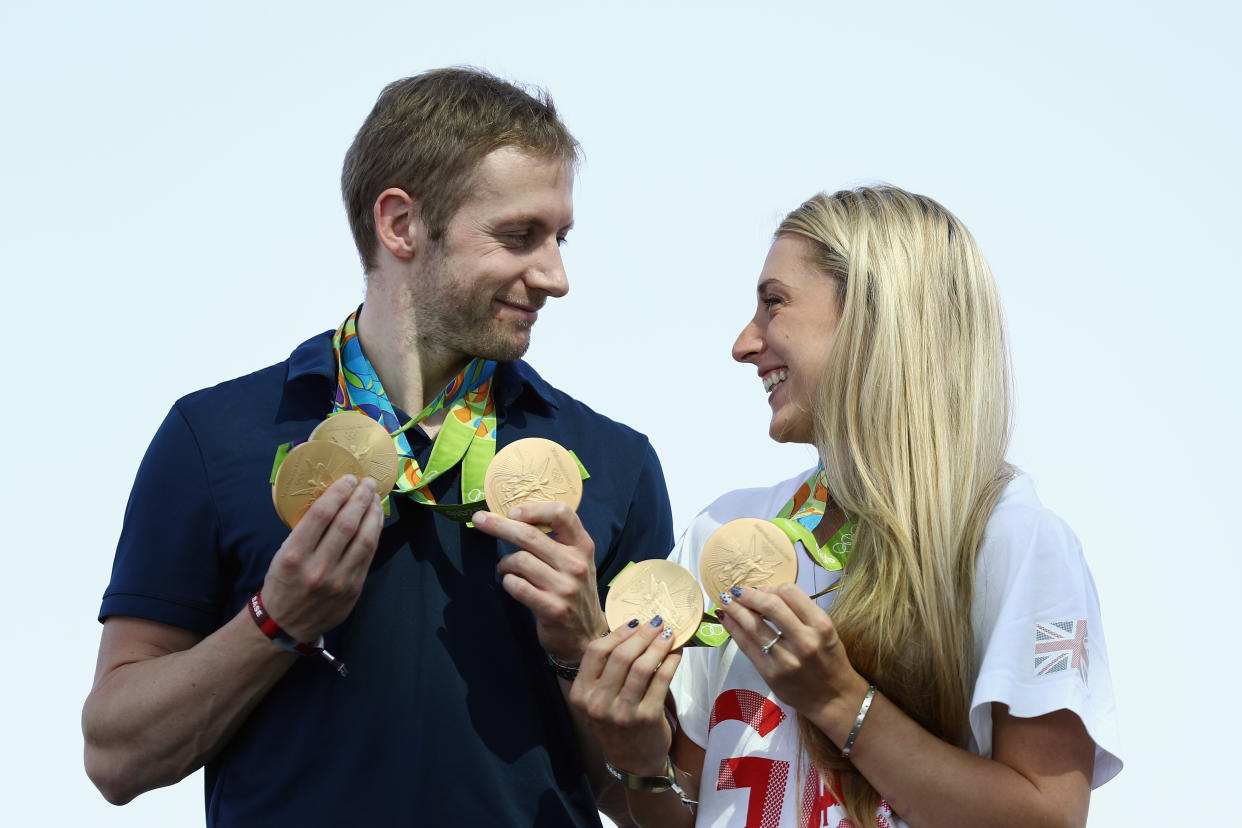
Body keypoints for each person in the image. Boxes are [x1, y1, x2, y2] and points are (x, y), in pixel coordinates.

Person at [82, 67, 673, 827]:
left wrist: (578, 653)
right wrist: (277, 620)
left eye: (559, 237)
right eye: (520, 236)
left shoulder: (617, 463)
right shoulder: (213, 435)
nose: (555, 276)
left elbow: (656, 811)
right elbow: (115, 759)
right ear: (400, 224)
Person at [570, 186, 1122, 827]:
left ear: (875, 317)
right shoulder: (726, 533)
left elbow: (1048, 819)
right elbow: (685, 816)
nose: (744, 344)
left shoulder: (1013, 542)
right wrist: (640, 759)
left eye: (773, 304)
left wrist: (838, 700)